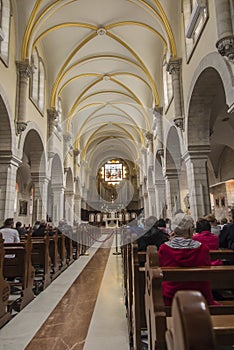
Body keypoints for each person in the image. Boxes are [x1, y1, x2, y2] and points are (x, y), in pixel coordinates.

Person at [158, 213, 219, 306]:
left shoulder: (164, 249)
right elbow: (206, 273)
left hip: (172, 296)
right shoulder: (203, 249)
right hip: (200, 296)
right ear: (190, 230)